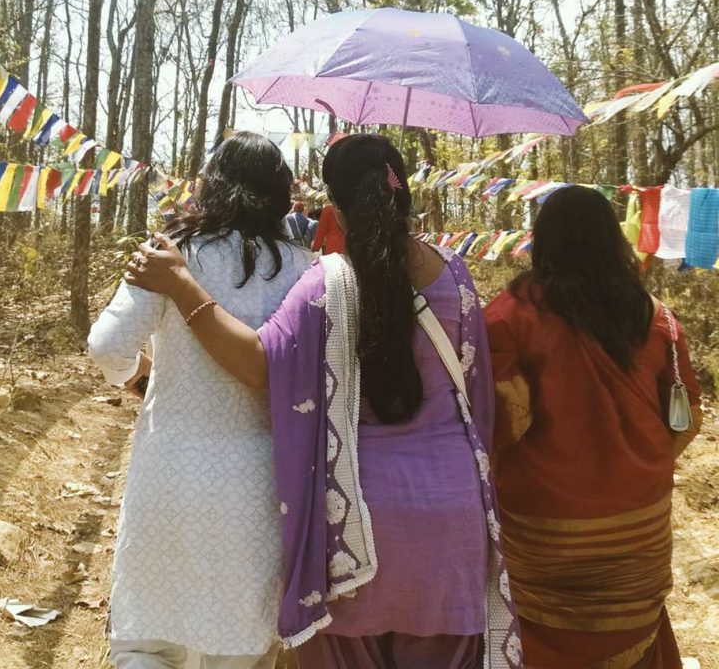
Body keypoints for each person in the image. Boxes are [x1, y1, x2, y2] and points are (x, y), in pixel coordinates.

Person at [125, 134, 522, 669]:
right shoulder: (458, 275)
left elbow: (257, 365)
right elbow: (479, 408)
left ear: (332, 207)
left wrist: (183, 286)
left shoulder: (325, 284)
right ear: (402, 191)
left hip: (357, 534)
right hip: (451, 528)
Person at [88, 132, 314, 669]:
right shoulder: (306, 270)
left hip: (166, 470)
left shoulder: (175, 254)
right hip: (260, 483)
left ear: (211, 186)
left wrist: (140, 378)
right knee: (236, 642)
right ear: (280, 192)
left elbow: (105, 346)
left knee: (149, 640)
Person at [484, 185, 703, 669]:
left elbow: (498, 424)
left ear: (543, 242)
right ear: (612, 240)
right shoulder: (654, 317)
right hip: (637, 535)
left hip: (545, 536)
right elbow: (687, 423)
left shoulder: (508, 316)